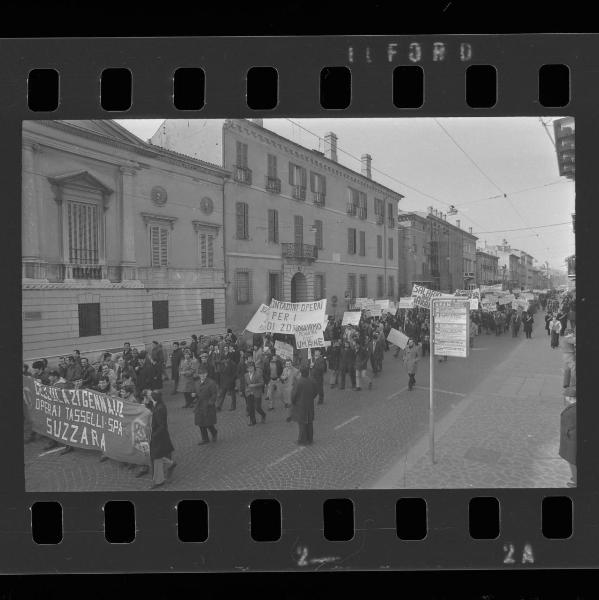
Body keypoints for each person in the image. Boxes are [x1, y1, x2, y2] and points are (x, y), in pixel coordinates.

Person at [147, 390, 176, 489]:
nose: (150, 397)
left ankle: (159, 481)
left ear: (154, 398)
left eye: (151, 396)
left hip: (158, 436)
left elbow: (161, 426)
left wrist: (153, 435)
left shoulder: (159, 409)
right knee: (157, 456)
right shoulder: (160, 406)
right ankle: (170, 463)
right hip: (161, 436)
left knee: (156, 457)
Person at [290, 366, 318, 446]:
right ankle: (310, 439)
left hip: (300, 405)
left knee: (302, 423)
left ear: (301, 373)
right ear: (308, 372)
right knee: (309, 422)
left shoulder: (298, 382)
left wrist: (294, 402)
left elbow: (294, 396)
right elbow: (315, 392)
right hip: (310, 404)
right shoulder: (312, 381)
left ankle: (302, 440)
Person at [193, 365, 218, 444]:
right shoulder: (197, 383)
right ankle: (205, 439)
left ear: (206, 374)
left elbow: (214, 395)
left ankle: (214, 432)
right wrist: (194, 395)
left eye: (203, 374)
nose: (202, 375)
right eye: (200, 374)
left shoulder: (211, 383)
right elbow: (197, 392)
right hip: (199, 405)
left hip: (208, 406)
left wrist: (210, 403)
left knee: (208, 422)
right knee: (200, 422)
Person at [559, 391, 576, 487]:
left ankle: (576, 482)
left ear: (570, 398)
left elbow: (570, 426)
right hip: (573, 440)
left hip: (572, 442)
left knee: (573, 462)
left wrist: (567, 434)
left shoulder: (573, 410)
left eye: (566, 397)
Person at [244, 360, 266, 426]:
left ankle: (263, 414)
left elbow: (262, 383)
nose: (250, 369)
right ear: (247, 369)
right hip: (249, 393)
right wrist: (246, 390)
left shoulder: (258, 374)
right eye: (249, 368)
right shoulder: (246, 375)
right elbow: (245, 384)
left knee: (257, 407)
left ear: (254, 367)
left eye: (251, 367)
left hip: (257, 393)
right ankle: (253, 421)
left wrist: (254, 385)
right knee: (250, 408)